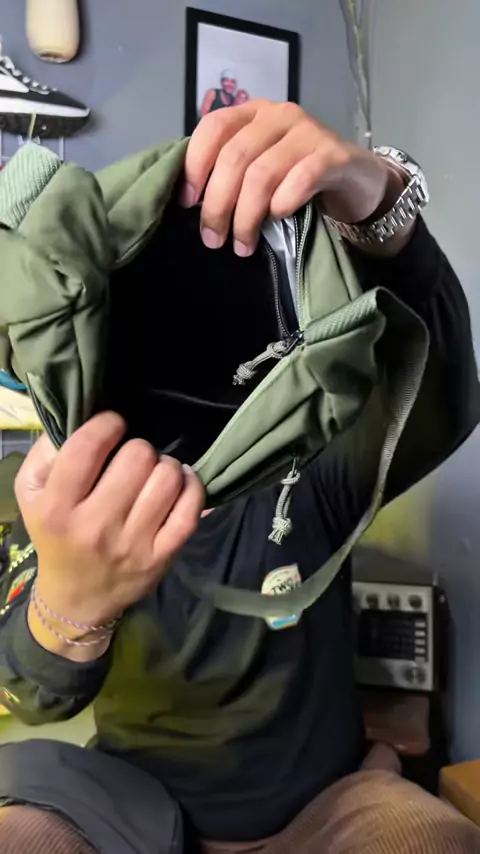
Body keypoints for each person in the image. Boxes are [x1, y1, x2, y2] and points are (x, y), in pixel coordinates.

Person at [1, 100, 480, 853]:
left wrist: (378, 199)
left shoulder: (310, 468)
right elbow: (33, 688)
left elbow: (435, 391)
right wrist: (70, 600)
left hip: (324, 807)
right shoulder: (68, 497)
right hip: (128, 808)